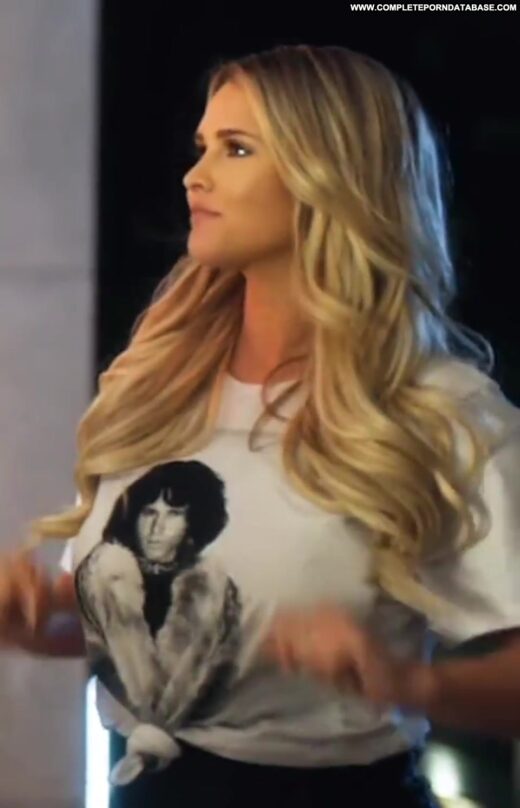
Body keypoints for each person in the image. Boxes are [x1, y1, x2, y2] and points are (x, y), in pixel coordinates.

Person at [0, 42, 519, 808]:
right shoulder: (161, 383)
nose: (194, 175)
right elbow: (157, 638)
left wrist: (410, 682)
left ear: (330, 173)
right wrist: (38, 622)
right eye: (202, 145)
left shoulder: (439, 413)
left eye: (236, 149)